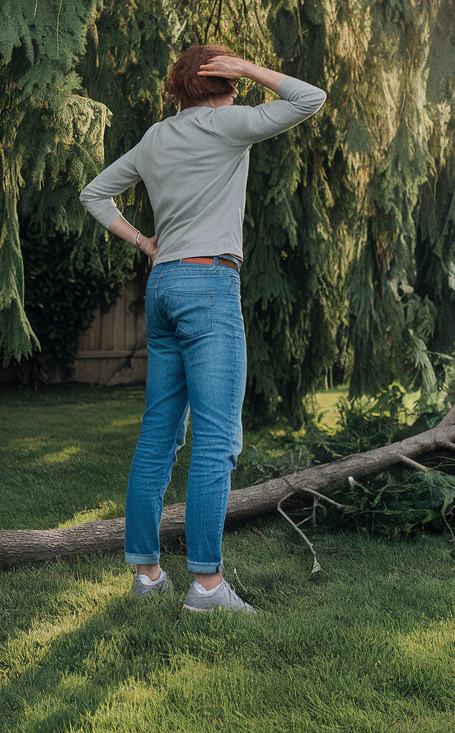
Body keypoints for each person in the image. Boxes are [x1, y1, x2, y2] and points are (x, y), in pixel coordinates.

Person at [79, 46, 326, 612]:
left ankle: (146, 576)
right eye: (231, 73)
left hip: (163, 287)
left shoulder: (155, 137)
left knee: (158, 435)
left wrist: (144, 241)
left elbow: (94, 194)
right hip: (210, 285)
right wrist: (249, 68)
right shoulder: (228, 123)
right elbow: (309, 98)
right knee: (217, 439)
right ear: (221, 80)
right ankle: (206, 587)